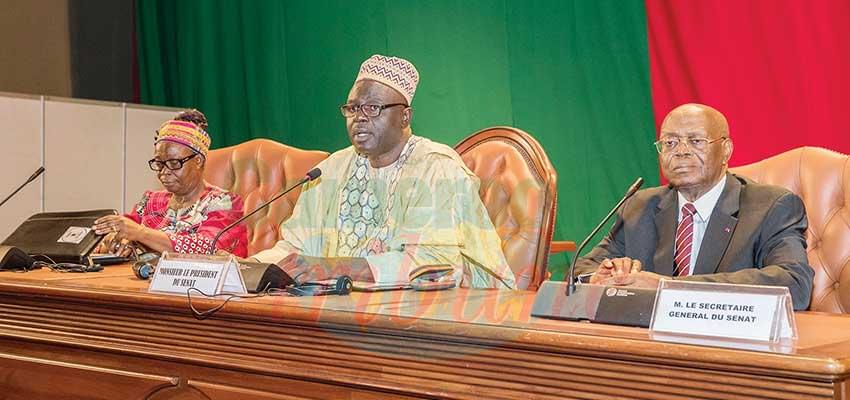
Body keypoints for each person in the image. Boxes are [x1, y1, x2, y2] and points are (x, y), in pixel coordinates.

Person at [250, 54, 515, 289]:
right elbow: (295, 249)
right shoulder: (331, 170)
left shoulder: (437, 169)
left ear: (405, 117)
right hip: (344, 310)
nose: (360, 117)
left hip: (448, 314)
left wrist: (335, 267)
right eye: (353, 108)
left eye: (373, 108)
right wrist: (247, 266)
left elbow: (432, 266)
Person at [574, 103, 813, 310]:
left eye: (696, 141)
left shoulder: (772, 207)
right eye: (670, 142)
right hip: (647, 346)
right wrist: (601, 276)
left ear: (726, 150)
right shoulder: (640, 205)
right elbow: (580, 269)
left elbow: (794, 283)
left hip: (726, 348)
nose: (681, 151)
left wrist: (668, 288)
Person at [93, 110, 248, 257]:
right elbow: (124, 229)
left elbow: (208, 248)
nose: (163, 172)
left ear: (198, 161)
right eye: (159, 164)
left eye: (174, 163)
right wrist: (116, 240)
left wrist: (141, 233)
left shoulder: (224, 202)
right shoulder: (151, 200)